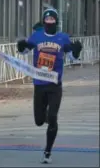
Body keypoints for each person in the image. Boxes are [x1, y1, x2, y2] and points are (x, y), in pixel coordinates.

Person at [17, 8, 82, 164]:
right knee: (39, 121)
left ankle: (47, 151)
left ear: (56, 21)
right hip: (39, 84)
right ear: (44, 21)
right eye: (47, 20)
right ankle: (47, 118)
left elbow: (72, 57)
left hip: (54, 84)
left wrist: (77, 51)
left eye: (53, 20)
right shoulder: (37, 36)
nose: (50, 22)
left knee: (52, 117)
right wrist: (21, 46)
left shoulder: (63, 38)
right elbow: (25, 51)